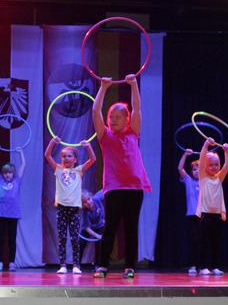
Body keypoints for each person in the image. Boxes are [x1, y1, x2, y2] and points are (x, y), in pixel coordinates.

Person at [92, 74, 151, 278]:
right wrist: (103, 88)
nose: (114, 120)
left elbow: (137, 109)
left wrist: (134, 85)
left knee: (131, 227)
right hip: (114, 187)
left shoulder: (133, 131)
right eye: (111, 118)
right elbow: (95, 112)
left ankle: (130, 266)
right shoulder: (104, 136)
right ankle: (102, 266)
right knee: (111, 226)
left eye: (118, 117)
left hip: (134, 187)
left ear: (127, 119)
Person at [44, 137, 96, 274]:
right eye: (63, 156)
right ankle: (62, 265)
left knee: (74, 238)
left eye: (69, 156)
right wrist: (52, 142)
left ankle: (76, 265)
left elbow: (93, 160)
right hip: (61, 208)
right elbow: (47, 155)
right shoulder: (58, 169)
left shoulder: (79, 170)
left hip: (74, 209)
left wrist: (88, 146)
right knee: (62, 238)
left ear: (75, 159)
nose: (66, 158)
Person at [196, 138, 228, 276]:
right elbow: (202, 160)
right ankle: (203, 266)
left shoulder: (219, 178)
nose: (214, 167)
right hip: (205, 216)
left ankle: (215, 266)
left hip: (217, 216)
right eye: (211, 165)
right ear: (205, 166)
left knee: (216, 243)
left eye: (216, 164)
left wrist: (227, 152)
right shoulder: (202, 177)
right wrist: (205, 145)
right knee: (204, 242)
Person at [0, 144, 25, 272]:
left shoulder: (17, 181)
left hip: (13, 214)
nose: (7, 175)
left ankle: (11, 263)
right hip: (0, 214)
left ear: (13, 174)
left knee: (12, 239)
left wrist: (20, 152)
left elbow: (23, 166)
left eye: (10, 173)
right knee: (0, 239)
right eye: (5, 173)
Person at [178, 149, 201, 275]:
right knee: (193, 241)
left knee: (203, 241)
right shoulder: (188, 180)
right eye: (194, 169)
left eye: (198, 169)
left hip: (203, 215)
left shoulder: (205, 181)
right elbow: (180, 168)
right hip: (192, 216)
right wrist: (185, 155)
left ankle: (203, 266)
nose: (196, 171)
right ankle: (193, 265)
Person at [80, 190, 105, 269]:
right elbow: (87, 228)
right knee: (81, 242)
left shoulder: (97, 198)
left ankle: (98, 265)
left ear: (91, 197)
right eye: (85, 202)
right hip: (90, 228)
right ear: (82, 205)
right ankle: (76, 264)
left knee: (100, 243)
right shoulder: (85, 211)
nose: (88, 202)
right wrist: (97, 235)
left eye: (88, 199)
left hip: (100, 225)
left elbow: (105, 190)